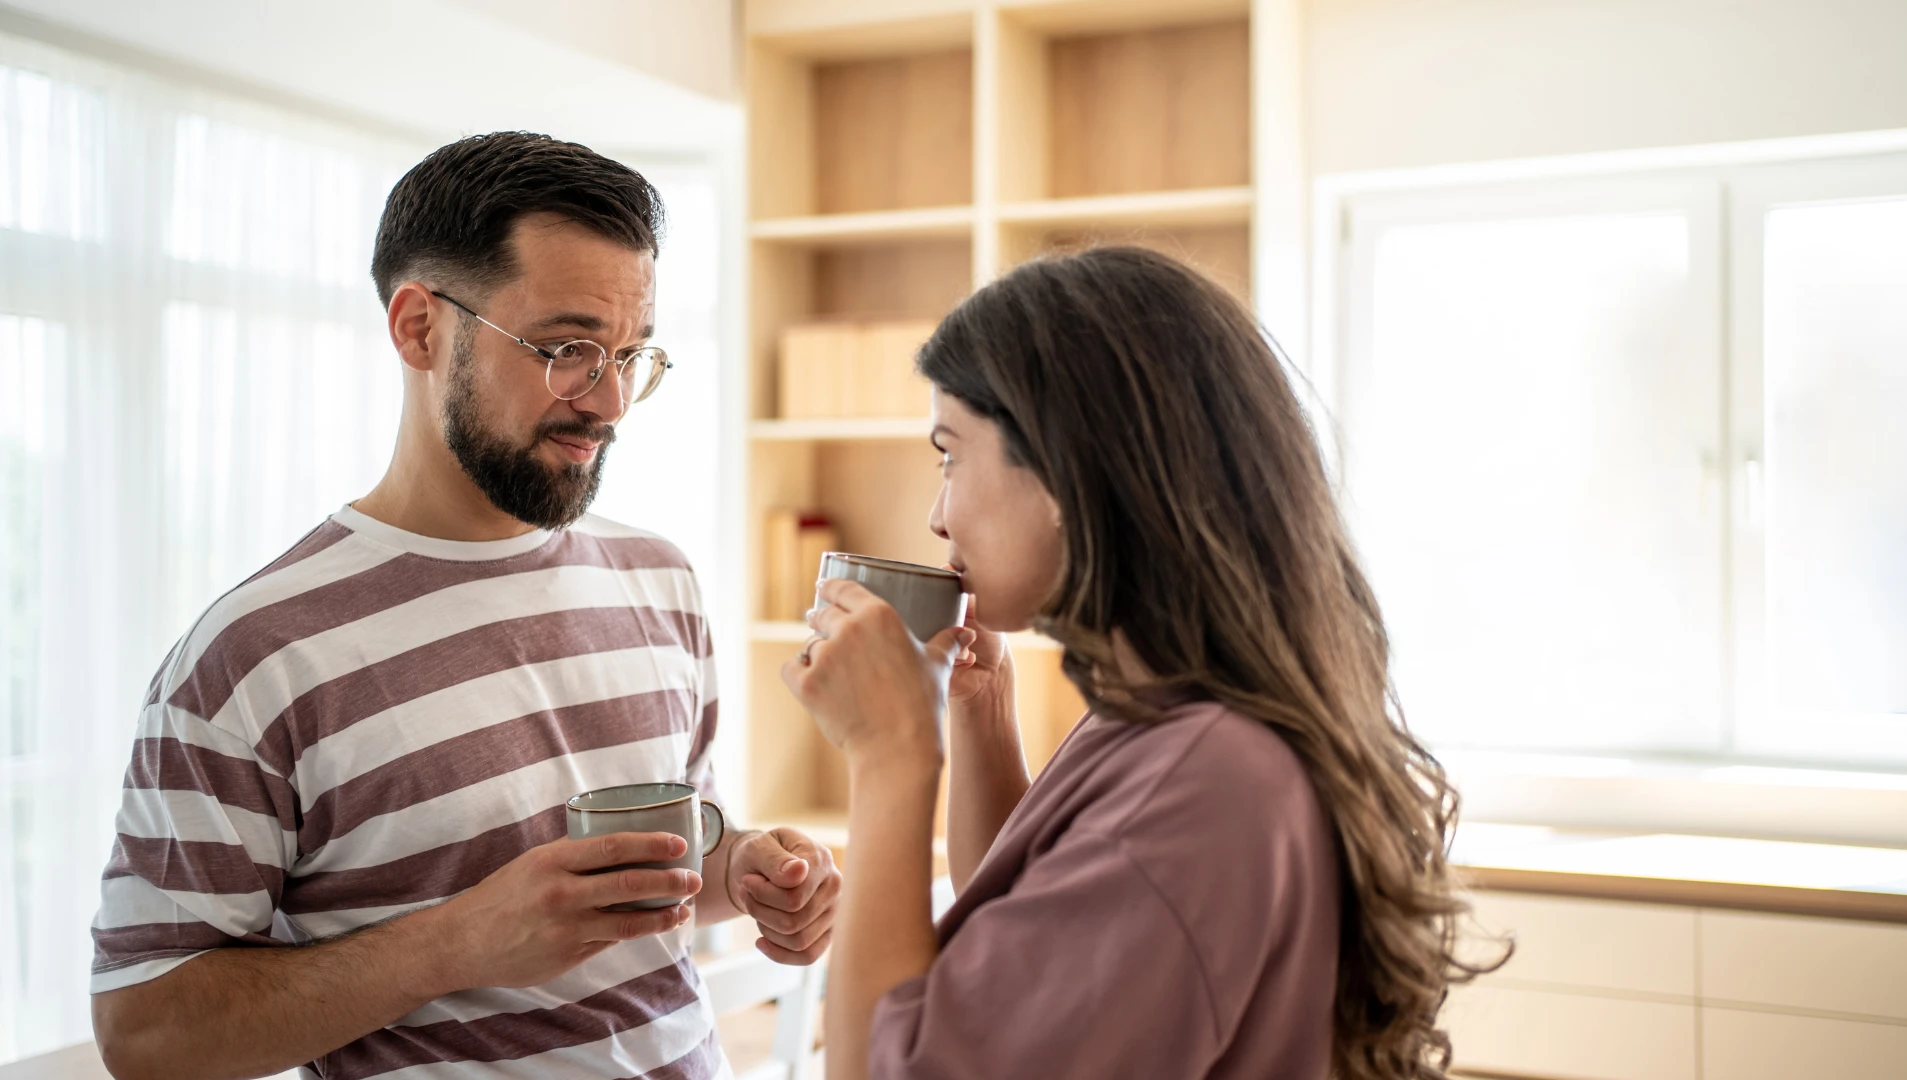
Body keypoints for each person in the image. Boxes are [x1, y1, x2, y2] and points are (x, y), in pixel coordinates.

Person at [90, 132, 841, 1080]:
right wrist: (461, 943)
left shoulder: (661, 579)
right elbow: (144, 1031)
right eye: (568, 349)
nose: (609, 402)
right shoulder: (255, 657)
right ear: (418, 329)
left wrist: (749, 872)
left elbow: (682, 843)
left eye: (631, 354)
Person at [781, 246, 1500, 1080]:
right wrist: (979, 706)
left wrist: (890, 760)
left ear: (1063, 469)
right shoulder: (1174, 709)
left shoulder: (1201, 780)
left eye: (951, 455)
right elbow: (1032, 931)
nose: (937, 517)